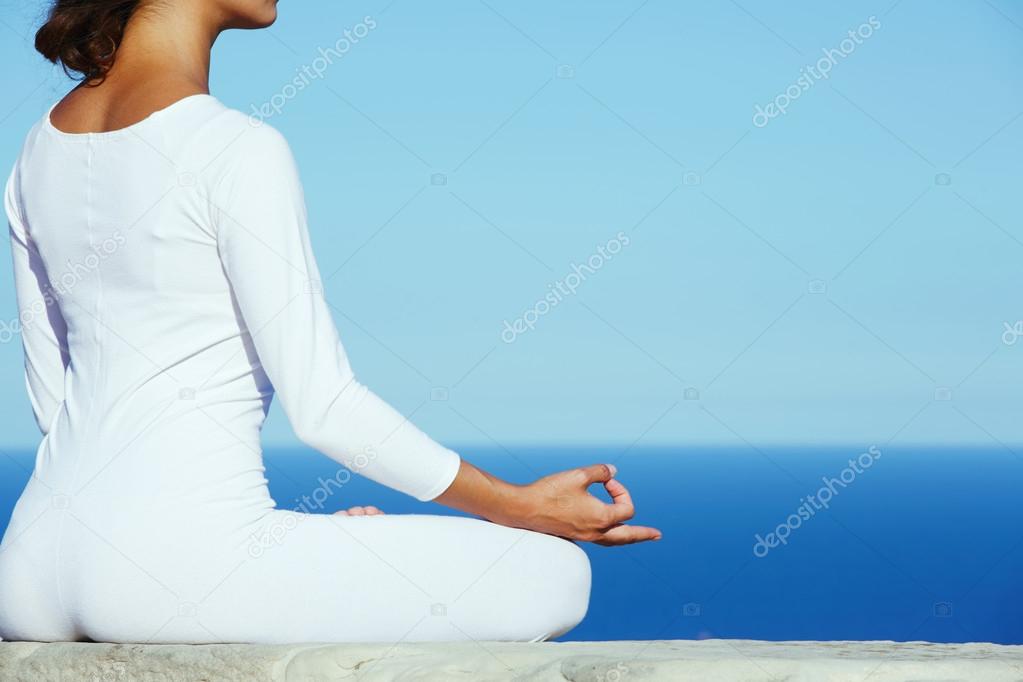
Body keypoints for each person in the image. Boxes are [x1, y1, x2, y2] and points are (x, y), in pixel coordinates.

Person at [0, 0, 660, 644]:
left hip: (29, 569)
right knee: (553, 571)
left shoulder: (36, 152)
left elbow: (52, 403)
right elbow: (326, 410)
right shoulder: (233, 147)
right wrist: (516, 503)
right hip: (177, 574)